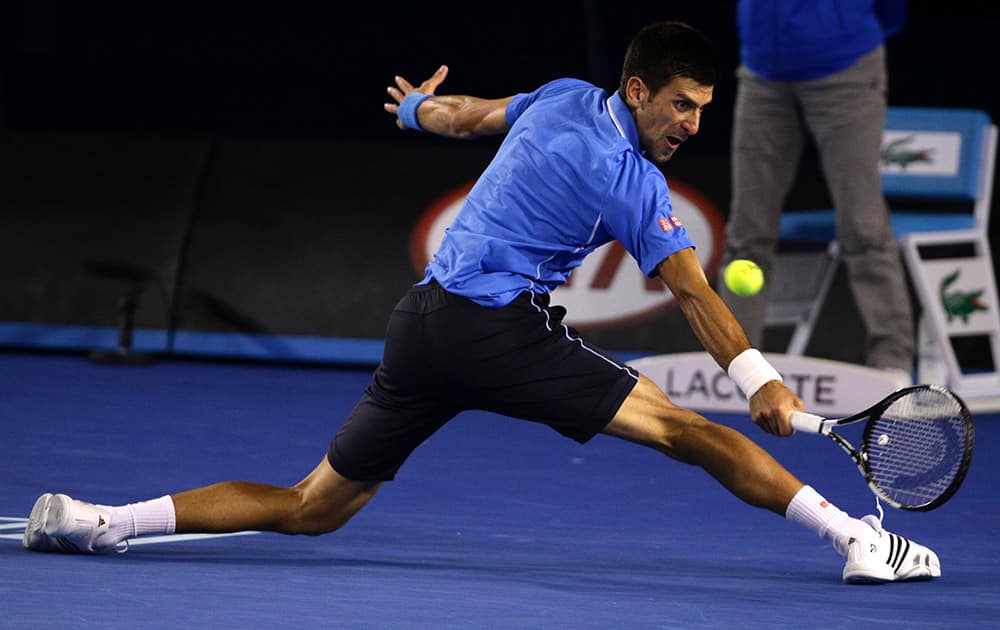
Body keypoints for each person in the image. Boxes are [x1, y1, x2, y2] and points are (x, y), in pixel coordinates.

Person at [22, 21, 937, 583]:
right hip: (496, 331)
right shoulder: (630, 178)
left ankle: (102, 522)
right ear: (638, 90)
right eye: (683, 107)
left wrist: (415, 113)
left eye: (704, 109)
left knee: (313, 506)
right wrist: (758, 379)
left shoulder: (562, 97)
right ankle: (857, 539)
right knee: (691, 433)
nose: (693, 125)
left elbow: (469, 115)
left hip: (420, 327)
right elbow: (691, 286)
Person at [718, 0, 915, 383]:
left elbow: (892, 9)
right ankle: (734, 360)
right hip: (762, 72)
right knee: (747, 233)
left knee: (862, 225)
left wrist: (840, 26)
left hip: (846, 67)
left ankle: (892, 361)